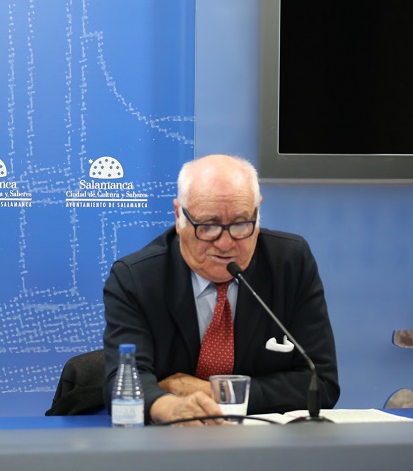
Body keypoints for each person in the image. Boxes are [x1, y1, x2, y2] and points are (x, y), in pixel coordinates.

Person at [102, 154, 339, 425]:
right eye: (209, 226)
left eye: (240, 224)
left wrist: (216, 393)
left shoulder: (289, 263)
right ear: (179, 216)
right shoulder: (137, 278)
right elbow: (124, 382)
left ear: (257, 212)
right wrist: (170, 407)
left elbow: (320, 382)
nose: (226, 243)